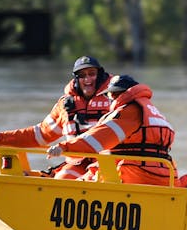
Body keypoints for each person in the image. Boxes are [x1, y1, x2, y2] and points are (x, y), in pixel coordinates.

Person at [0, 55, 112, 179]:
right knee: (62, 178)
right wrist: (2, 138)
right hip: (77, 164)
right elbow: (40, 134)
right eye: (82, 75)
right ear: (76, 79)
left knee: (95, 179)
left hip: (110, 163)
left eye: (92, 73)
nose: (87, 79)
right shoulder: (65, 105)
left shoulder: (114, 98)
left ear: (100, 75)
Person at [46, 74, 177, 185]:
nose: (109, 98)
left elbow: (95, 140)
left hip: (132, 174)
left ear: (117, 94)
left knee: (70, 187)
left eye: (110, 94)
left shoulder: (128, 111)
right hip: (163, 174)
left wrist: (64, 147)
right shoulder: (151, 111)